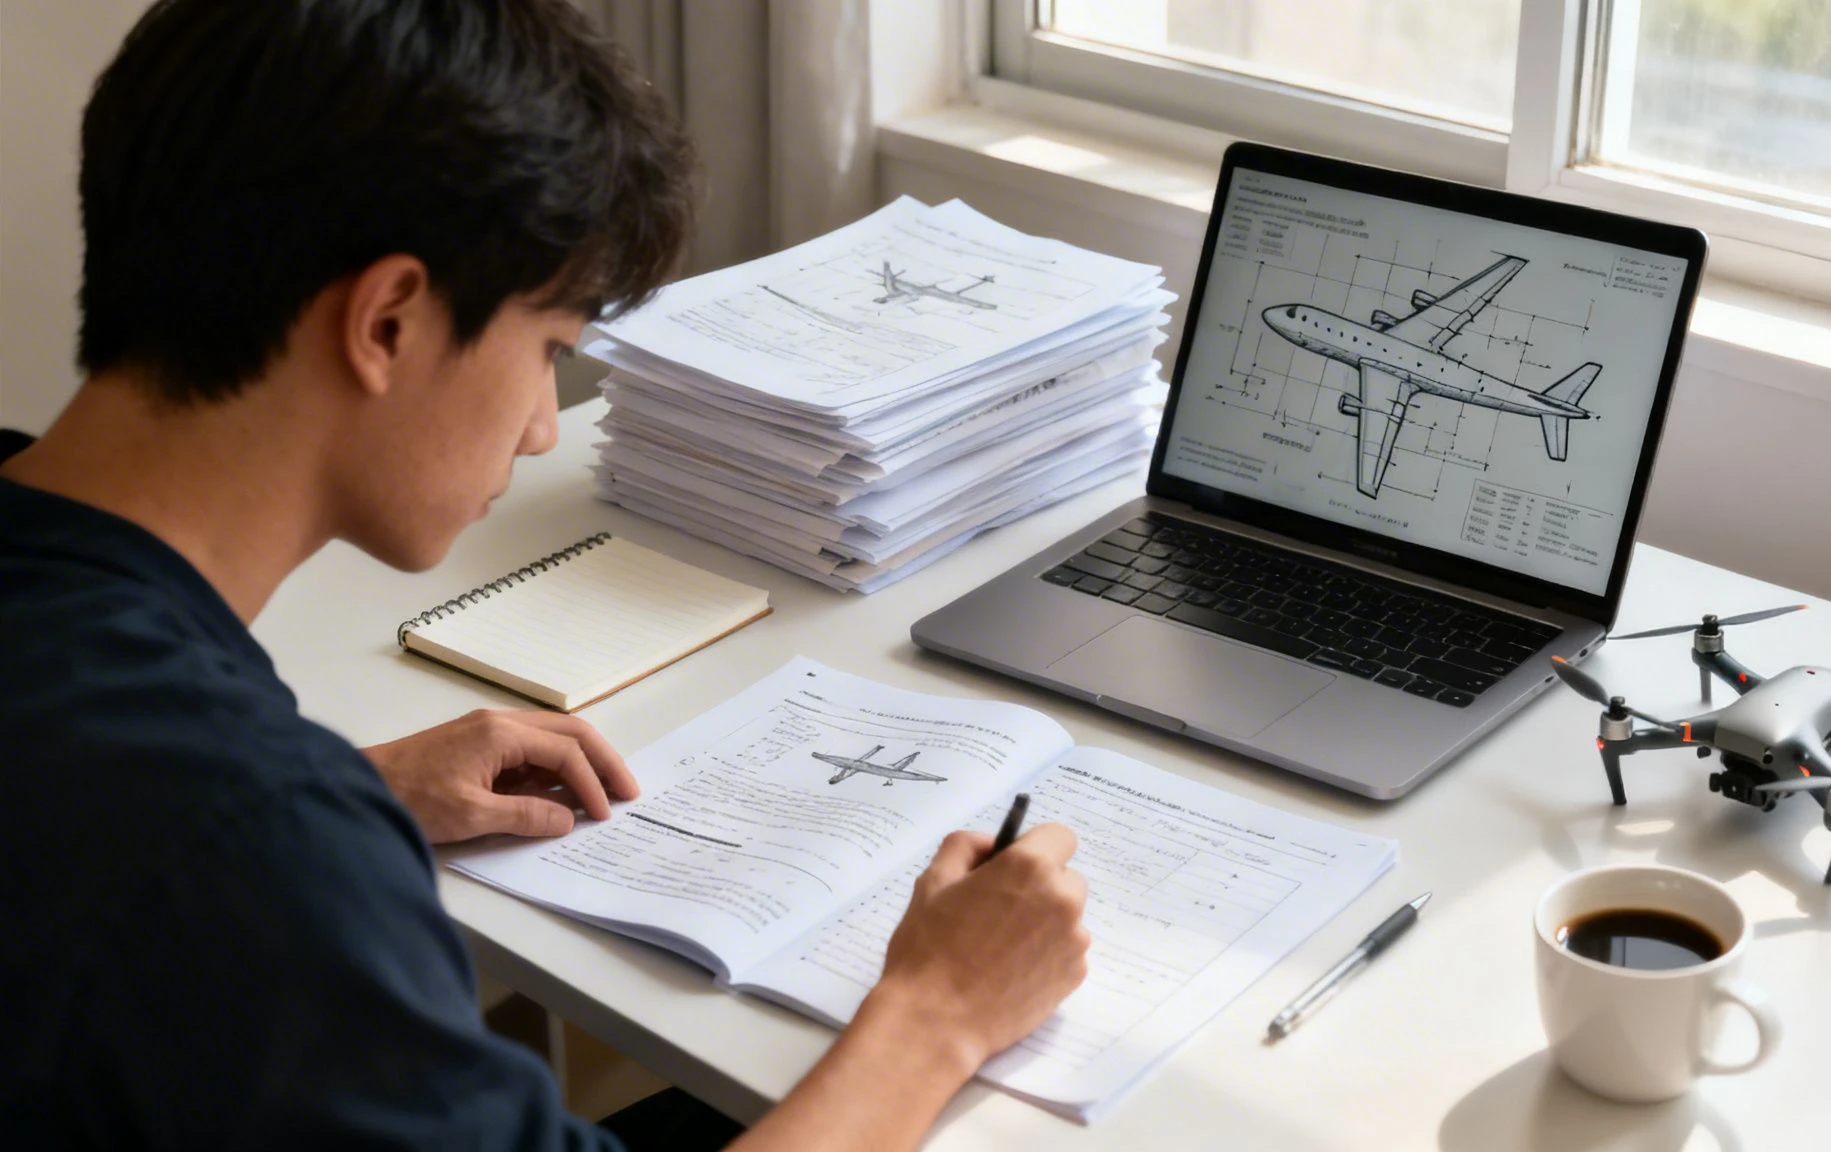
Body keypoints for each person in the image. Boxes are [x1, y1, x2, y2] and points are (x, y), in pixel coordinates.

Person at [0, 1, 1090, 1148]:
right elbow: (198, 849)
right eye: (550, 352)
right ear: (387, 322)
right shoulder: (258, 853)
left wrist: (361, 787)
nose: (537, 433)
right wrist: (940, 1014)